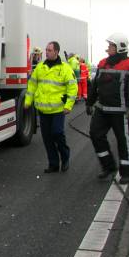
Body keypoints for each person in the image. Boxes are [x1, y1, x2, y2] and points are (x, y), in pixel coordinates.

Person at [86, 33, 129, 184]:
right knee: (95, 134)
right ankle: (108, 166)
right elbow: (95, 84)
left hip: (121, 112)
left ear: (120, 47)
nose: (108, 48)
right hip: (102, 109)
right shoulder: (103, 63)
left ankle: (127, 173)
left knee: (124, 142)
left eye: (111, 45)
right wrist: (89, 103)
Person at [25, 41, 78, 173]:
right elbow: (32, 84)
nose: (47, 52)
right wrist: (27, 101)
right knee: (47, 138)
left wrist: (69, 105)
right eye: (46, 50)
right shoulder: (40, 67)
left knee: (57, 133)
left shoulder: (65, 68)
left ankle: (65, 157)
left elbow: (72, 88)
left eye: (49, 50)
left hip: (58, 109)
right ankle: (53, 164)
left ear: (56, 52)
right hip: (43, 110)